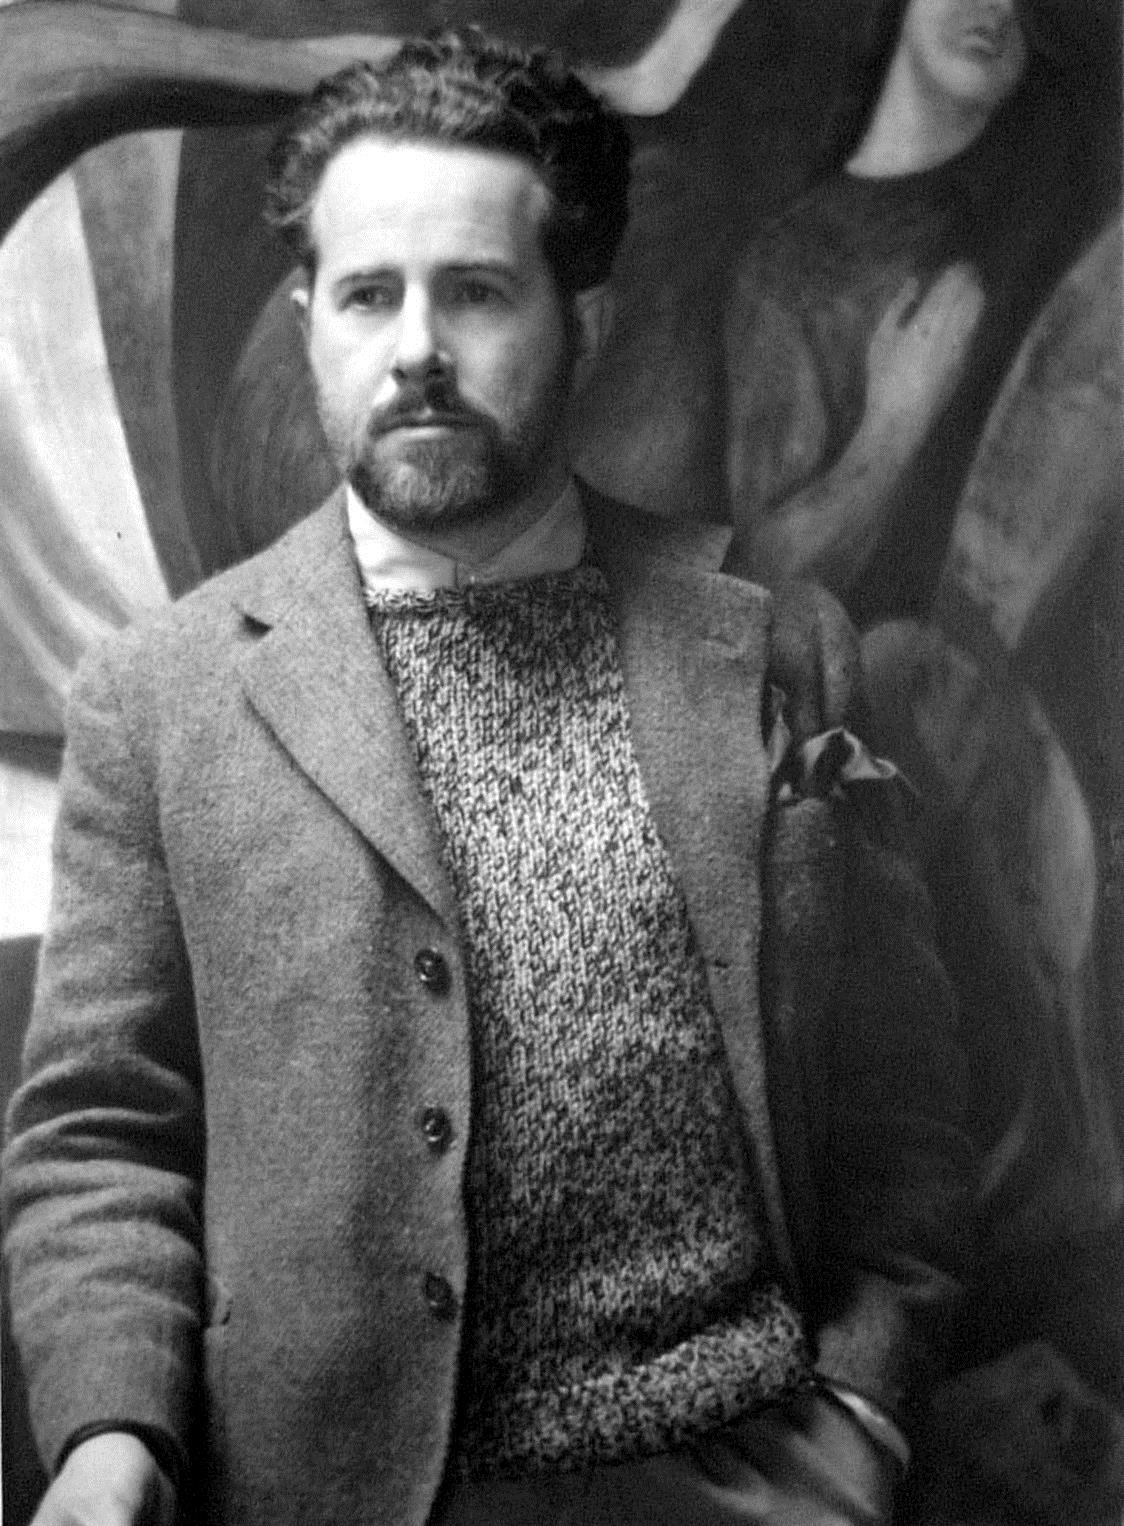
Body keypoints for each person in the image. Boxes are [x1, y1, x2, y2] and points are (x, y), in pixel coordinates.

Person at [2, 30, 969, 1526]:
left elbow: (904, 1098)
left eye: (476, 289)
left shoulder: (783, 644)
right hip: (323, 1493)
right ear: (309, 313)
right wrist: (108, 1443)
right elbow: (101, 1131)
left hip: (745, 1481)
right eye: (372, 294)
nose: (418, 353)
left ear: (579, 314)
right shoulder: (161, 696)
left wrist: (864, 1410)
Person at [723, 0, 1120, 629]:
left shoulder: (1065, 232)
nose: (1001, 10)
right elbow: (762, 591)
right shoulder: (797, 265)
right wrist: (892, 426)